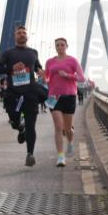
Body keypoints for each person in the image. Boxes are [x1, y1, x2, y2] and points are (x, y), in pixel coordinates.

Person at [0, 25, 44, 167]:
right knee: (14, 121)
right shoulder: (8, 53)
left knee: (31, 124)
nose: (22, 35)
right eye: (19, 33)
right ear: (15, 36)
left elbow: (37, 67)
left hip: (30, 93)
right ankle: (19, 127)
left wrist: (41, 71)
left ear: (27, 36)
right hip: (13, 94)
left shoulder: (33, 52)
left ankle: (30, 154)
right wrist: (11, 68)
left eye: (24, 33)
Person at [44, 37, 85, 166]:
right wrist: (43, 77)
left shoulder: (72, 60)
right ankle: (61, 157)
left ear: (66, 46)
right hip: (54, 97)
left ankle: (70, 142)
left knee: (67, 129)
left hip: (69, 96)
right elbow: (47, 77)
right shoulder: (49, 62)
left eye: (62, 45)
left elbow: (82, 78)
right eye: (57, 45)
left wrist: (68, 76)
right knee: (58, 127)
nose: (60, 47)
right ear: (55, 47)